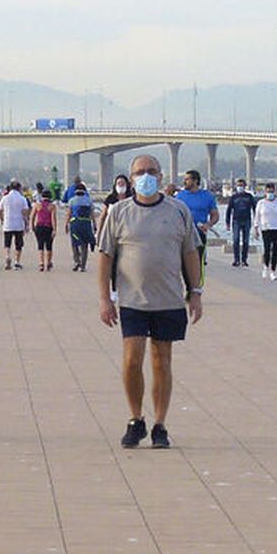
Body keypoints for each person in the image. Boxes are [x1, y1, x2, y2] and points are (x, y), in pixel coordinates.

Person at [95, 155, 203, 450]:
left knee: (161, 360)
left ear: (161, 175)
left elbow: (191, 253)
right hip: (132, 299)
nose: (146, 176)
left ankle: (160, 424)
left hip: (168, 299)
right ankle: (135, 418)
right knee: (132, 360)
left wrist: (196, 292)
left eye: (151, 171)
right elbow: (104, 255)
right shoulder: (119, 212)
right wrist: (105, 298)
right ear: (130, 179)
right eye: (140, 172)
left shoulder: (178, 210)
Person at [174, 169, 220, 269]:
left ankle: (197, 281)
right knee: (183, 262)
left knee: (198, 262)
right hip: (183, 233)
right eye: (184, 179)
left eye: (187, 179)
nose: (184, 182)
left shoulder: (207, 196)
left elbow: (215, 215)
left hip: (199, 232)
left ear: (195, 181)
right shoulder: (180, 196)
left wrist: (208, 224)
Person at [253, 183, 277, 280]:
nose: (270, 193)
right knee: (267, 249)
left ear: (275, 192)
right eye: (268, 191)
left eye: (272, 191)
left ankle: (273, 272)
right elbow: (257, 216)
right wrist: (256, 229)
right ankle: (265, 267)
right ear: (265, 192)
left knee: (275, 250)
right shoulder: (261, 203)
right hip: (266, 228)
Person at [0, 181, 32, 270]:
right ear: (19, 188)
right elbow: (25, 212)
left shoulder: (5, 198)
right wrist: (27, 224)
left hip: (8, 223)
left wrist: (2, 219)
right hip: (18, 224)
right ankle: (17, 262)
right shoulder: (22, 199)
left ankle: (7, 256)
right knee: (18, 244)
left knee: (7, 243)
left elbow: (0, 210)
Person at [225, 179, 257, 268]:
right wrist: (227, 222)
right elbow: (229, 210)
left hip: (247, 220)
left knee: (246, 241)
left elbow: (255, 208)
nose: (240, 187)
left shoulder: (249, 196)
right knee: (236, 240)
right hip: (236, 221)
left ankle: (244, 260)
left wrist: (256, 221)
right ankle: (236, 260)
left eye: (241, 185)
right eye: (238, 185)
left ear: (245, 186)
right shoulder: (233, 197)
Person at [67, 182, 96, 272]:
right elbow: (92, 214)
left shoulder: (72, 201)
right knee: (84, 244)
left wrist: (66, 224)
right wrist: (95, 224)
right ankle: (83, 265)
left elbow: (69, 214)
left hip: (75, 223)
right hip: (86, 224)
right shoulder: (89, 200)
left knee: (75, 243)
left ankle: (76, 261)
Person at [31, 188, 58, 271]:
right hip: (48, 227)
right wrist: (54, 229)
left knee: (40, 245)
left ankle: (41, 263)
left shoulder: (37, 205)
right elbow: (53, 219)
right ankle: (48, 262)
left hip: (39, 227)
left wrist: (32, 226)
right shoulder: (52, 206)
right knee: (49, 246)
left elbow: (32, 217)